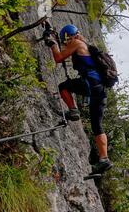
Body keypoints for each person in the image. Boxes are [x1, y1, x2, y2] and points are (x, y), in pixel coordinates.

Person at [43, 24, 113, 174]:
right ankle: (104, 159)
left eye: (65, 40)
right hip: (99, 90)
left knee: (64, 87)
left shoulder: (76, 43)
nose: (65, 43)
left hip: (90, 84)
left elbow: (58, 57)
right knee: (97, 126)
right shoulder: (85, 45)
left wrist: (53, 44)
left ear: (69, 36)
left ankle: (73, 110)